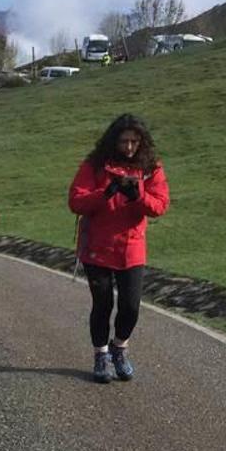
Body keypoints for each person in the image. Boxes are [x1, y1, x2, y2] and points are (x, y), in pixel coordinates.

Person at [68, 114, 169, 383]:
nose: (129, 147)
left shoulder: (150, 167)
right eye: (124, 141)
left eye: (135, 142)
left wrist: (138, 196)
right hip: (97, 247)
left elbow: (160, 206)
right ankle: (101, 355)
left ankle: (119, 348)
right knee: (102, 304)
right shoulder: (95, 165)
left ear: (142, 142)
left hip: (132, 247)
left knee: (130, 307)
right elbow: (76, 202)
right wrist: (106, 192)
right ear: (113, 141)